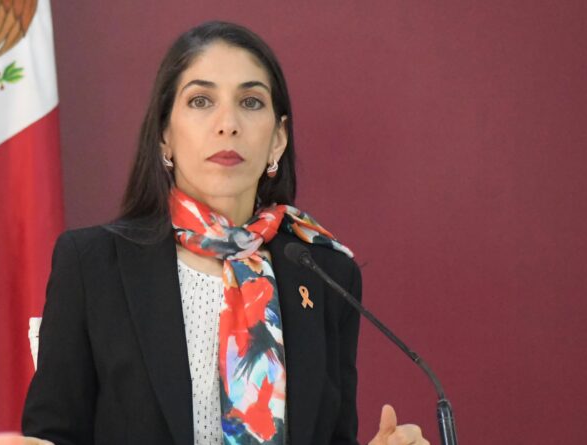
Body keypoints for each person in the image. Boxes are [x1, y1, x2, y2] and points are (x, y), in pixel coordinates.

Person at [21, 21, 429, 445]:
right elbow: (52, 434)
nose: (228, 123)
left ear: (278, 140)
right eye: (201, 100)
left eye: (251, 102)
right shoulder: (92, 265)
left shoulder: (325, 272)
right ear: (164, 135)